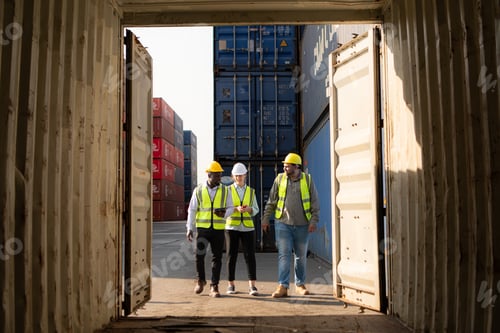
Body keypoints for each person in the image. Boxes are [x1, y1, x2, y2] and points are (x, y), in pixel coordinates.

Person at [261, 152, 320, 298]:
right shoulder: (279, 179)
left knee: (300, 256)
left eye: (288, 166)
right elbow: (272, 201)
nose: (285, 168)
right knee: (284, 255)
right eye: (284, 165)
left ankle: (300, 285)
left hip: (302, 225)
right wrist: (265, 218)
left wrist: (313, 221)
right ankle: (283, 286)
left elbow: (314, 203)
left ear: (296, 166)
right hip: (283, 224)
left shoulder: (307, 180)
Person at [186, 161, 234, 298]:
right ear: (209, 175)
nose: (219, 178)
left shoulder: (225, 190)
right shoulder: (199, 190)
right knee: (199, 256)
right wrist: (189, 227)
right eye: (217, 176)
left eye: (220, 175)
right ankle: (200, 281)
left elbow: (231, 207)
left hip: (218, 229)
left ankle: (214, 286)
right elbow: (192, 210)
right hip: (203, 229)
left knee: (217, 258)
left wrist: (224, 213)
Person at [225, 162, 260, 296]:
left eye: (241, 175)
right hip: (231, 227)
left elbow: (256, 209)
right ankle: (231, 285)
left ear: (245, 175)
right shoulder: (227, 191)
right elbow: (224, 210)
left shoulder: (251, 192)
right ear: (233, 176)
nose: (239, 177)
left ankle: (252, 286)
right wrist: (235, 209)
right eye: (237, 175)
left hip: (247, 228)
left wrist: (249, 209)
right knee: (231, 256)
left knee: (250, 256)